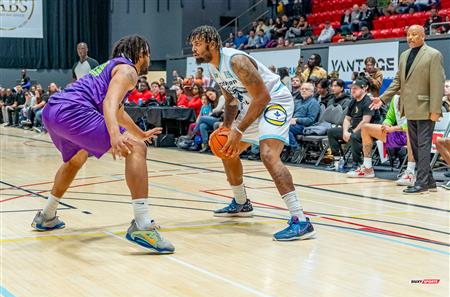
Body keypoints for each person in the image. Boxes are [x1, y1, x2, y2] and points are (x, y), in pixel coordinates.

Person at [31, 35, 174, 253]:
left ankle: (46, 215)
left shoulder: (112, 68)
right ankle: (142, 225)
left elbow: (118, 111)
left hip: (53, 111)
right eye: (148, 53)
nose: (149, 58)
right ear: (141, 53)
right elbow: (109, 103)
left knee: (76, 159)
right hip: (74, 111)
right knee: (137, 149)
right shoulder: (129, 71)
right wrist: (115, 135)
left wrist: (140, 132)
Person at [189, 25, 315, 241]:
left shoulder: (236, 61)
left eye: (197, 44)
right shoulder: (213, 67)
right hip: (253, 105)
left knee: (268, 154)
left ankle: (301, 220)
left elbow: (263, 97)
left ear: (210, 43)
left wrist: (238, 129)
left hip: (275, 101)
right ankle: (241, 202)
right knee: (227, 150)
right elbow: (230, 100)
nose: (193, 49)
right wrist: (227, 127)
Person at [371, 25, 445, 194]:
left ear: (423, 36)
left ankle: (422, 183)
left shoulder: (433, 55)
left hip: (426, 108)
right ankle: (430, 181)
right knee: (416, 145)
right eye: (408, 35)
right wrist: (382, 98)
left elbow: (437, 84)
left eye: (414, 35)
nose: (410, 37)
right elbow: (398, 82)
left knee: (423, 145)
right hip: (409, 108)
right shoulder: (404, 55)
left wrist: (435, 110)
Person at [348, 95, 417, 187]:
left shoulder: (416, 98)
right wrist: (385, 124)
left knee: (410, 132)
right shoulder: (396, 98)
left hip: (414, 135)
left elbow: (415, 123)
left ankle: (410, 173)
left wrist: (395, 128)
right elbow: (390, 117)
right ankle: (367, 168)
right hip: (399, 135)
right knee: (365, 127)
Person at [328, 78, 380, 171]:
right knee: (331, 132)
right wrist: (345, 132)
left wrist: (351, 133)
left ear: (364, 89)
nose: (353, 90)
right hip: (355, 129)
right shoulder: (353, 101)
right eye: (352, 88)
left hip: (369, 131)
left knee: (354, 137)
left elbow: (365, 121)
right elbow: (347, 119)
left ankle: (357, 164)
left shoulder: (368, 101)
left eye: (355, 88)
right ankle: (338, 160)